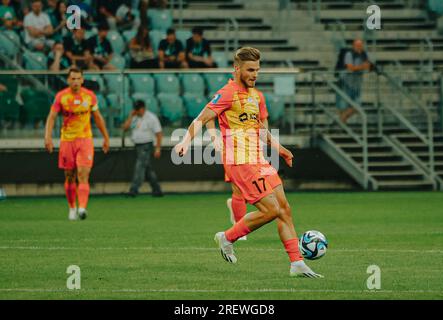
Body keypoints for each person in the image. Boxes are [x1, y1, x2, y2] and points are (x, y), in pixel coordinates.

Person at [175, 47, 322, 278]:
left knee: (284, 209)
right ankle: (227, 237)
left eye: (257, 70)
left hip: (259, 159)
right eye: (250, 70)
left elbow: (260, 129)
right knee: (271, 209)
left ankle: (297, 263)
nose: (255, 74)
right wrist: (184, 142)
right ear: (237, 69)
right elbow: (201, 119)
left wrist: (280, 149)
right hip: (240, 161)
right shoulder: (227, 93)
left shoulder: (256, 96)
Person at [44, 67, 110, 221]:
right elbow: (52, 117)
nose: (75, 81)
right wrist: (48, 137)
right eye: (72, 78)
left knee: (83, 174)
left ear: (82, 80)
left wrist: (106, 137)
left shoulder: (90, 96)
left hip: (85, 139)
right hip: (67, 140)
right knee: (69, 176)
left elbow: (98, 117)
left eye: (78, 78)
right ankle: (72, 207)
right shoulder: (61, 97)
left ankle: (82, 208)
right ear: (68, 80)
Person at [122, 100, 163, 197]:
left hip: (146, 146)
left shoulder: (151, 118)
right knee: (147, 169)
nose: (136, 111)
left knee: (139, 167)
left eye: (138, 109)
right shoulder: (134, 117)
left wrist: (158, 148)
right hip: (137, 146)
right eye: (135, 109)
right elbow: (125, 128)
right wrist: (130, 116)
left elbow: (159, 133)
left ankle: (134, 189)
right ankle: (157, 190)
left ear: (143, 108)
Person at [336, 39, 371, 124]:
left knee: (357, 106)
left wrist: (362, 67)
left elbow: (369, 66)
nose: (359, 47)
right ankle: (342, 123)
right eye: (357, 46)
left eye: (360, 45)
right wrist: (362, 67)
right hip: (346, 82)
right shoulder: (349, 54)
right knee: (343, 106)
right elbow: (350, 68)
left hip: (356, 84)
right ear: (353, 46)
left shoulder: (364, 55)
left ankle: (341, 120)